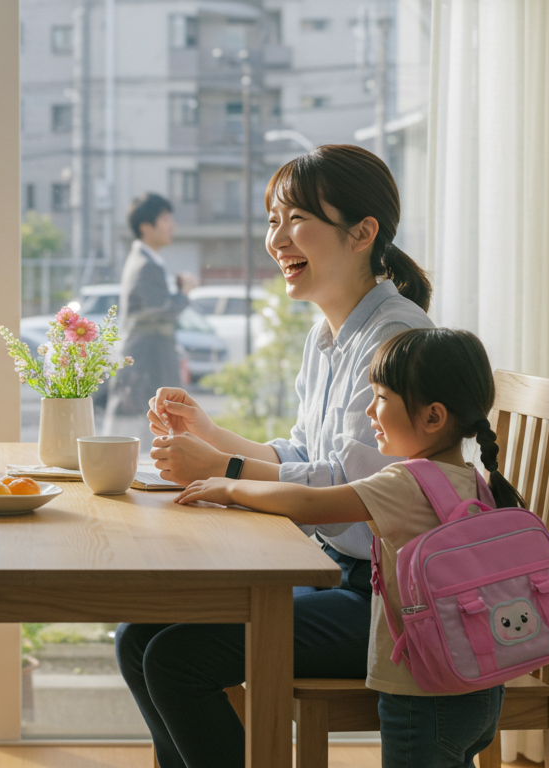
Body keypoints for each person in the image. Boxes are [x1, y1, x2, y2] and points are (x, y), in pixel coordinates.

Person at [115, 144, 436, 767]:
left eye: (295, 220)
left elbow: (349, 498)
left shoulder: (397, 339)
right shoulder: (328, 333)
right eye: (272, 220)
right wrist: (213, 437)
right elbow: (300, 453)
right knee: (137, 637)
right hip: (342, 578)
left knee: (176, 659)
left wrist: (222, 470)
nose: (276, 239)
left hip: (391, 601)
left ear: (362, 232)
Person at [173, 327, 515, 768]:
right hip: (481, 685)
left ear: (433, 417)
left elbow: (312, 504)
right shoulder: (474, 482)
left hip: (422, 691)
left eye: (383, 398)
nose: (370, 411)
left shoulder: (407, 483)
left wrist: (232, 486)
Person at [107, 192, 199, 418]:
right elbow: (161, 312)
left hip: (147, 362)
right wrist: (184, 293)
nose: (172, 225)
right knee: (147, 434)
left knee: (150, 432)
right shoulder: (145, 265)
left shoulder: (146, 261)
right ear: (146, 226)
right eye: (166, 219)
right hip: (147, 365)